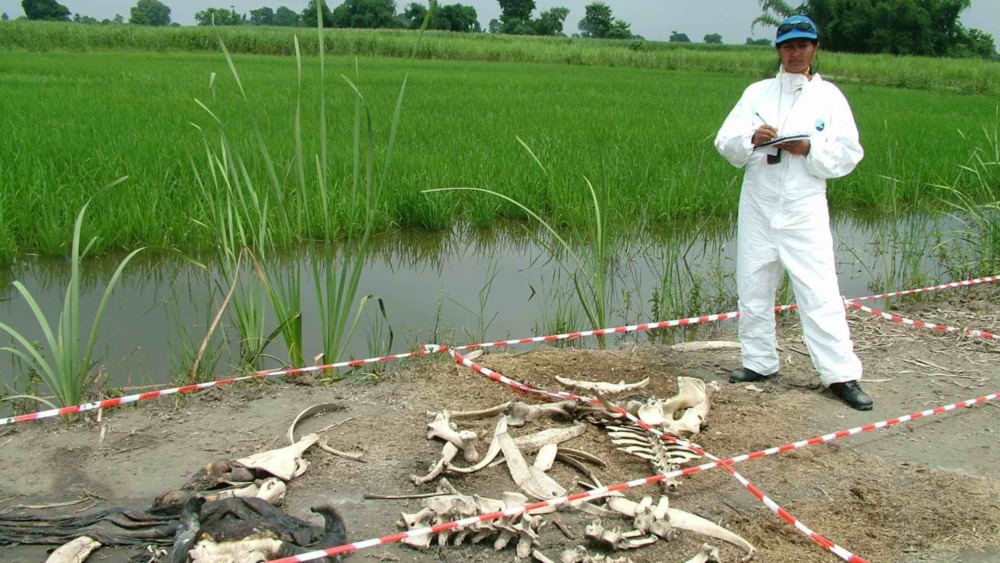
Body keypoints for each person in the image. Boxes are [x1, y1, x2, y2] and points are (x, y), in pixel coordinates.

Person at [714, 15, 873, 410]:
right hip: (759, 202)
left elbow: (850, 152)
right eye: (788, 46)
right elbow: (724, 140)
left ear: (815, 48)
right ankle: (759, 361)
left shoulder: (829, 97)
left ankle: (840, 375)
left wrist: (810, 149)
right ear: (778, 51)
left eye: (803, 45)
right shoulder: (757, 93)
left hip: (804, 206)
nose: (795, 52)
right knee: (753, 285)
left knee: (819, 291)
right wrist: (752, 138)